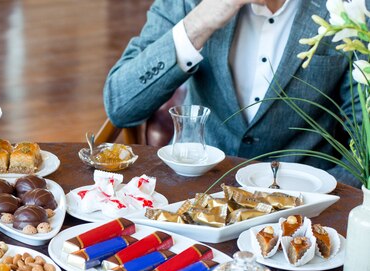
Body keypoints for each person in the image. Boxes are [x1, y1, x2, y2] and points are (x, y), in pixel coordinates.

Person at [103, 0, 361, 186]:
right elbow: (121, 105)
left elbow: (364, 138)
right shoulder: (188, 2)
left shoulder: (354, 8)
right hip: (193, 193)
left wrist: (322, 196)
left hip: (301, 211)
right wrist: (198, 23)